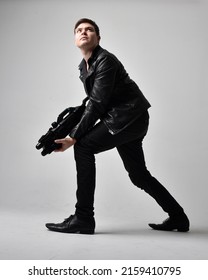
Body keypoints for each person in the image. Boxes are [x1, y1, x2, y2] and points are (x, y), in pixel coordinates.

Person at [45, 18, 190, 234]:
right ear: (75, 39)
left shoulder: (106, 60)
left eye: (90, 30)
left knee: (83, 147)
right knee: (139, 175)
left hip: (128, 117)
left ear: (98, 37)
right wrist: (64, 128)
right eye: (79, 30)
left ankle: (83, 218)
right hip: (126, 119)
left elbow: (97, 104)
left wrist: (73, 137)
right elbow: (93, 102)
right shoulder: (84, 67)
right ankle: (178, 217)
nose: (84, 32)